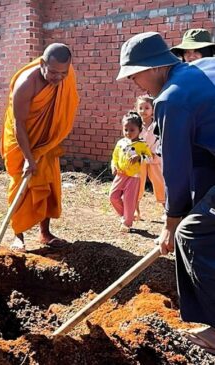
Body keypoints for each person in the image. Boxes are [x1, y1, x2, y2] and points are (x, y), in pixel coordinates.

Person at [117, 31, 215, 353]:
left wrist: (171, 223)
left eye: (135, 75)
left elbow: (175, 170)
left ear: (155, 66)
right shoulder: (202, 68)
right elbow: (198, 159)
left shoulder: (171, 98)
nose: (135, 84)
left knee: (191, 234)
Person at [0, 43, 79, 252]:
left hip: (45, 141)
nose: (58, 78)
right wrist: (28, 157)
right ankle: (18, 236)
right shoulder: (26, 84)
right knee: (21, 185)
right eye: (53, 72)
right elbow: (19, 124)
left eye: (63, 73)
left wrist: (40, 151)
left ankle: (45, 233)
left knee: (48, 182)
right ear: (42, 63)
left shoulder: (65, 77)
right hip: (22, 139)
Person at [109, 111, 152, 232]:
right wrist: (114, 166)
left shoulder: (142, 145)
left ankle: (127, 223)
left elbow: (150, 158)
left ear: (140, 129)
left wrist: (139, 157)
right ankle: (126, 216)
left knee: (129, 200)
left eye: (132, 130)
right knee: (113, 197)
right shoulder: (121, 143)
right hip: (120, 175)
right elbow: (115, 157)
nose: (128, 133)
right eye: (125, 129)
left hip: (134, 177)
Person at [134, 94, 165, 221]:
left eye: (147, 108)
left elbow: (161, 141)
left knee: (160, 183)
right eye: (140, 108)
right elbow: (130, 140)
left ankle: (167, 210)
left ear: (153, 109)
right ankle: (136, 211)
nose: (143, 111)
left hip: (155, 159)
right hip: (139, 160)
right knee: (137, 184)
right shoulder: (135, 124)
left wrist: (154, 154)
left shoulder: (157, 124)